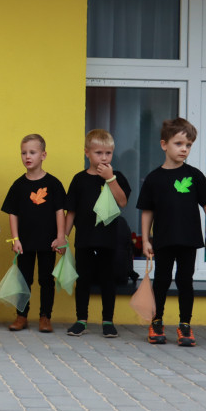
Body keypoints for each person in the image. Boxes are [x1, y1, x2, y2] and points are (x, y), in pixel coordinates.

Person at [137, 118, 206, 347]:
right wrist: (145, 240)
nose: (184, 149)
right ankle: (157, 322)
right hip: (163, 240)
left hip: (188, 240)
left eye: (188, 145)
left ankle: (185, 325)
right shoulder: (154, 178)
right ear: (164, 144)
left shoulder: (194, 175)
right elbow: (147, 212)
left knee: (185, 282)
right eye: (179, 143)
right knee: (161, 282)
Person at [64, 129, 131, 338]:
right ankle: (81, 320)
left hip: (109, 240)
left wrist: (110, 179)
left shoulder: (116, 177)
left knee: (107, 280)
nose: (103, 158)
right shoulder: (79, 179)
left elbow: (122, 202)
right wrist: (62, 237)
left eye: (108, 153)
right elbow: (71, 211)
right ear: (87, 153)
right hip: (84, 239)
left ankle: (108, 321)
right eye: (98, 153)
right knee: (82, 279)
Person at [1, 133, 66, 333]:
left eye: (32, 152)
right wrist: (15, 239)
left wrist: (61, 237)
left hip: (48, 242)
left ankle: (45, 317)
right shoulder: (18, 185)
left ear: (43, 155)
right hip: (25, 242)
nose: (27, 156)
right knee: (24, 279)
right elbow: (13, 213)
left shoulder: (53, 184)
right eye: (23, 153)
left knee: (46, 280)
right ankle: (21, 316)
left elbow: (59, 212)